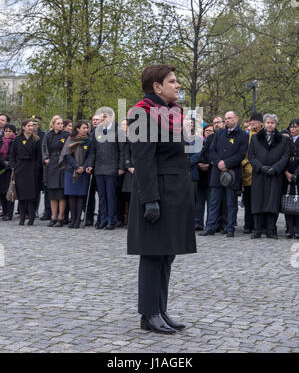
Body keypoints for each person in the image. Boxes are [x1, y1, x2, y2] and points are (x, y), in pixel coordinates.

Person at [127, 64, 196, 334]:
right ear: (157, 86)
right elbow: (143, 162)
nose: (178, 85)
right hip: (156, 191)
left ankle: (161, 309)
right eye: (172, 81)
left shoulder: (174, 112)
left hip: (176, 190)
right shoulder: (141, 114)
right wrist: (150, 199)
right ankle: (148, 314)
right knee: (153, 254)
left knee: (167, 255)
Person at [201, 111, 249, 237]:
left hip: (232, 172)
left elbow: (241, 154)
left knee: (231, 202)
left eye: (229, 118)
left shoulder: (243, 135)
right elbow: (212, 150)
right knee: (213, 202)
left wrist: (226, 163)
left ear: (236, 119)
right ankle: (210, 227)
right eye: (225, 118)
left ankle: (230, 227)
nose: (227, 120)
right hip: (217, 171)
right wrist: (219, 163)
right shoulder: (219, 134)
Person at [249, 114, 290, 239]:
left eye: (272, 123)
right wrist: (261, 167)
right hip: (259, 174)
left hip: (274, 176)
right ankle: (257, 229)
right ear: (264, 124)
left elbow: (285, 157)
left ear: (275, 124)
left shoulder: (283, 140)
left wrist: (276, 168)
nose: (270, 125)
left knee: (272, 202)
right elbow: (251, 156)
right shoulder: (255, 138)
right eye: (268, 122)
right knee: (258, 201)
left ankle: (271, 229)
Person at [86, 108, 125, 230]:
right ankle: (102, 219)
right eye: (101, 117)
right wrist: (90, 165)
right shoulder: (96, 132)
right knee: (102, 196)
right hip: (99, 168)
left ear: (111, 117)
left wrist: (121, 166)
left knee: (111, 195)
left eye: (104, 117)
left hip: (112, 167)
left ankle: (111, 219)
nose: (102, 120)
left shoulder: (118, 131)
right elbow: (92, 151)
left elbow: (122, 151)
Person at [10, 119, 42, 226]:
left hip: (31, 169)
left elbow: (39, 156)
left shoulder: (36, 139)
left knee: (31, 195)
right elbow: (12, 155)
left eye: (32, 126)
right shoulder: (17, 139)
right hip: (20, 169)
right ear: (23, 127)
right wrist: (14, 166)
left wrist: (36, 168)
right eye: (28, 125)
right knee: (22, 195)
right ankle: (22, 217)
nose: (31, 127)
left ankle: (31, 217)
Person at [59, 120, 90, 229]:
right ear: (77, 129)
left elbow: (90, 155)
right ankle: (72, 219)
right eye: (84, 128)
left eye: (87, 128)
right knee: (71, 195)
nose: (86, 130)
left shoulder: (89, 140)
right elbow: (67, 154)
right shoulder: (70, 139)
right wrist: (76, 167)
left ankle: (78, 220)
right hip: (70, 170)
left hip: (83, 171)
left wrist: (83, 167)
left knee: (80, 195)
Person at [42, 116, 70, 227]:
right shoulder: (48, 135)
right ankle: (53, 217)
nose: (60, 125)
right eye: (58, 123)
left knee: (61, 193)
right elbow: (44, 148)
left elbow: (69, 148)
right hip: (52, 164)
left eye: (61, 123)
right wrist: (45, 158)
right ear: (53, 124)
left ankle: (61, 217)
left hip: (63, 163)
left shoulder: (66, 135)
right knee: (52, 193)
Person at [241, 112, 263, 234]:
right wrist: (246, 164)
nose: (252, 122)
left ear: (261, 122)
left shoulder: (264, 135)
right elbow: (244, 152)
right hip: (248, 172)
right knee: (248, 200)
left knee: (260, 200)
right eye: (251, 120)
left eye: (254, 120)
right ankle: (248, 224)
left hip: (261, 172)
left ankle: (259, 225)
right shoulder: (247, 135)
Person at [284, 119, 299, 238]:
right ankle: (289, 227)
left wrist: (296, 174)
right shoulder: (286, 141)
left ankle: (297, 228)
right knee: (288, 202)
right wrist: (286, 173)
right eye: (291, 127)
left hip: (297, 175)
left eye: (295, 127)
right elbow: (283, 157)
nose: (292, 129)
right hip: (287, 175)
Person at [0, 124, 16, 221]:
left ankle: (9, 214)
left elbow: (16, 154)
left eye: (10, 131)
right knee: (1, 192)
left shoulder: (15, 141)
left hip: (10, 170)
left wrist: (10, 163)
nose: (7, 133)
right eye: (6, 131)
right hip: (1, 168)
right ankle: (4, 211)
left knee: (9, 191)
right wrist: (3, 162)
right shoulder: (1, 141)